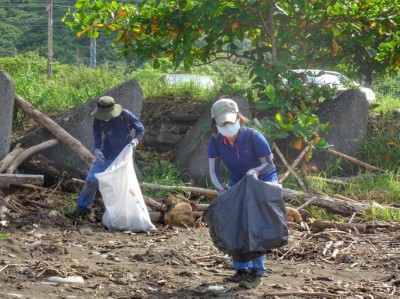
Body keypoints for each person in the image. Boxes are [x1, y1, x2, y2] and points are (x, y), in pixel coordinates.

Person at [207, 98, 278, 289]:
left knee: (255, 226)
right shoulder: (215, 141)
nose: (228, 126)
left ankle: (257, 271)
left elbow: (269, 164)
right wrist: (221, 191)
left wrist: (255, 172)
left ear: (238, 118)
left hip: (262, 180)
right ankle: (241, 269)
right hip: (237, 182)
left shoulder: (254, 137)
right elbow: (213, 171)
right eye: (223, 123)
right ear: (216, 123)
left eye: (231, 121)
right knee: (235, 225)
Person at [65, 95, 145, 220]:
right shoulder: (98, 119)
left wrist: (136, 141)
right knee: (91, 180)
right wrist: (97, 150)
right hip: (106, 155)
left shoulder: (125, 115)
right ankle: (82, 209)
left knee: (120, 185)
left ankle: (120, 215)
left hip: (123, 156)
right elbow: (97, 136)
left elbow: (140, 129)